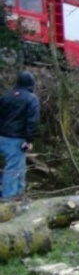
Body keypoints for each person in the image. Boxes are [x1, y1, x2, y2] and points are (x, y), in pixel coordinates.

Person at [0, 70, 40, 201]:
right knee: (13, 168)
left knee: (19, 166)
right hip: (16, 138)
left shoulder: (6, 96)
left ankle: (19, 194)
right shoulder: (31, 98)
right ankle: (8, 198)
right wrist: (29, 140)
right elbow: (32, 121)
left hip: (2, 137)